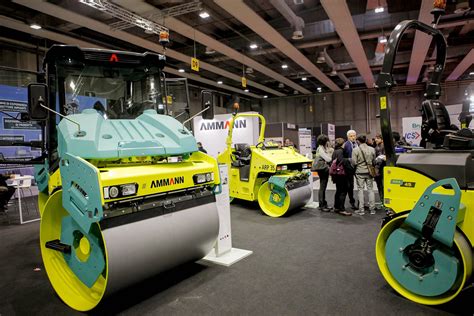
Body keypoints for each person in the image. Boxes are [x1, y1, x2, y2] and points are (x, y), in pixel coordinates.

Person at [352, 135, 376, 215]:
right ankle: (372, 209)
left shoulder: (355, 150)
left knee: (360, 190)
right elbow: (374, 161)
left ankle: (361, 210)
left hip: (359, 172)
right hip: (369, 172)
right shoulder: (372, 149)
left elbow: (354, 162)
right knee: (370, 190)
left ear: (358, 141)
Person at [331, 138, 352, 216]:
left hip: (336, 174)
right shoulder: (340, 151)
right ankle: (341, 209)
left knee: (338, 191)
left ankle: (336, 207)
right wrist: (349, 160)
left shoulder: (335, 151)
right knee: (343, 191)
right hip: (341, 175)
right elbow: (341, 161)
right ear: (342, 144)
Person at [313, 134, 333, 212]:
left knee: (323, 186)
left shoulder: (321, 148)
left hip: (322, 169)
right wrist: (331, 156)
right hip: (322, 169)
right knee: (322, 187)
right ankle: (322, 205)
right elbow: (328, 159)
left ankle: (323, 204)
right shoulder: (320, 149)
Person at [343, 129, 358, 210]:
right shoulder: (346, 145)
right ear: (348, 137)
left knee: (360, 186)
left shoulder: (357, 144)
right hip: (349, 169)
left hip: (358, 167)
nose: (353, 137)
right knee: (350, 186)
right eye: (351, 136)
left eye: (354, 136)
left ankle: (361, 202)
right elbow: (345, 157)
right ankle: (352, 202)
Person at [374, 133, 386, 205]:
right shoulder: (376, 147)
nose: (376, 139)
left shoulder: (384, 147)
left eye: (377, 138)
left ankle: (384, 202)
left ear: (382, 139)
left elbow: (386, 158)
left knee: (383, 186)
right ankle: (382, 201)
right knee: (379, 186)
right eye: (375, 138)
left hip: (383, 169)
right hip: (378, 169)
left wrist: (380, 158)